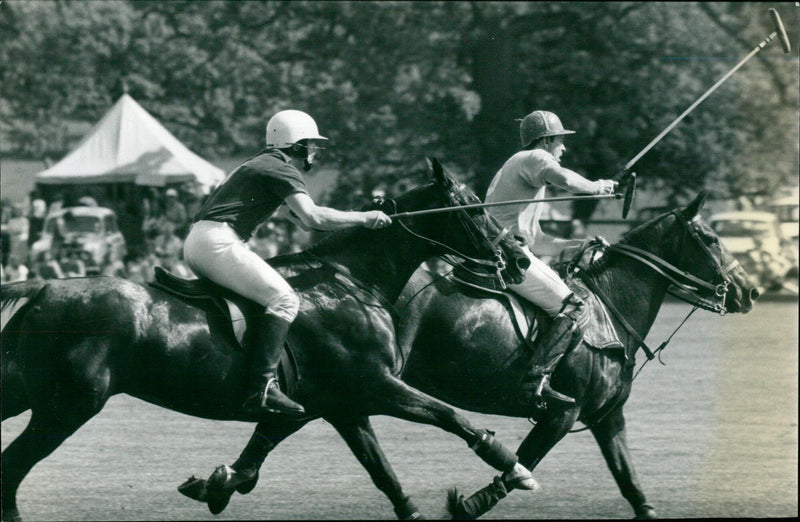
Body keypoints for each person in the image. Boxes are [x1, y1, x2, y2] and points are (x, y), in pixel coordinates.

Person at [183, 109, 393, 416]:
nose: (315, 153)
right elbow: (314, 217)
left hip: (202, 241)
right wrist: (365, 218)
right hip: (216, 242)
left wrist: (352, 217)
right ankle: (263, 388)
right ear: (295, 145)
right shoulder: (280, 168)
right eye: (311, 145)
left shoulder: (261, 163)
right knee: (284, 300)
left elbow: (304, 223)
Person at [484, 110, 617, 406]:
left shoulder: (517, 166)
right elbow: (565, 179)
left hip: (510, 248)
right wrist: (597, 186)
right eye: (560, 140)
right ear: (545, 140)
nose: (564, 148)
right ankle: (536, 381)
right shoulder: (534, 158)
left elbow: (540, 240)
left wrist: (580, 244)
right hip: (508, 254)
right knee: (575, 307)